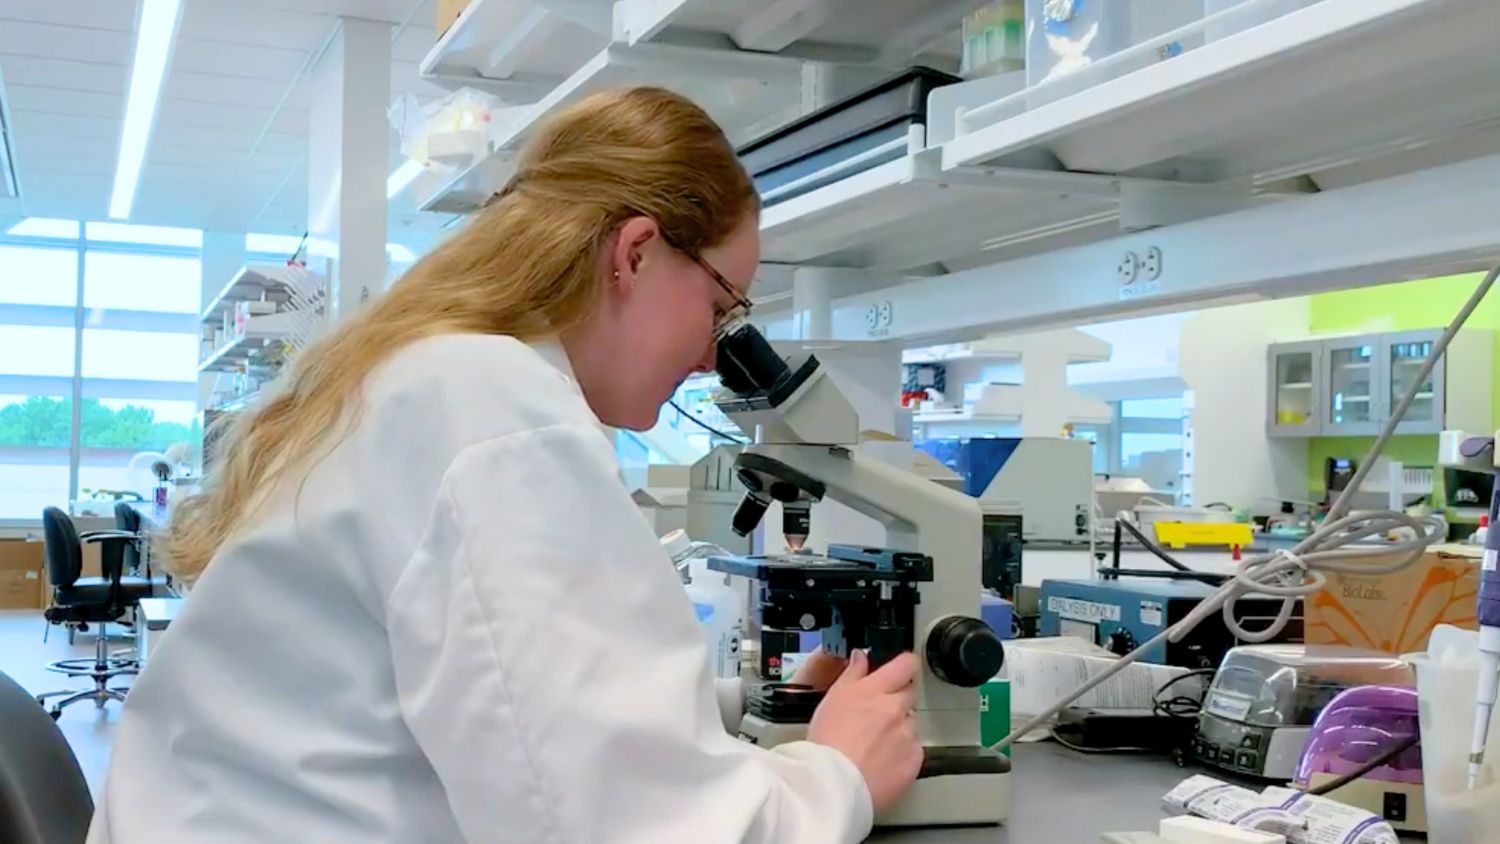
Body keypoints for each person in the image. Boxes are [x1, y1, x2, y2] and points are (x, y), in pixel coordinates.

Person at [88, 87, 922, 844]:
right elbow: (627, 828)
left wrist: (747, 705)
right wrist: (837, 775)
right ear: (633, 253)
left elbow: (497, 710)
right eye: (720, 304)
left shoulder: (433, 375)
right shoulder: (497, 413)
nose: (713, 355)